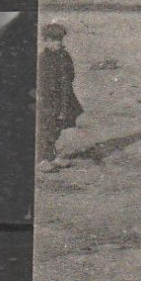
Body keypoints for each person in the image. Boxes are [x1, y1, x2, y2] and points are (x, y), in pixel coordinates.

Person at [36, 21, 83, 172]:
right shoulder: (44, 59)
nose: (59, 43)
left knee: (58, 127)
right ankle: (42, 159)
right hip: (48, 99)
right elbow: (43, 82)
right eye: (55, 40)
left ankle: (52, 156)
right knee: (46, 127)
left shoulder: (64, 55)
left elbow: (71, 74)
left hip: (64, 96)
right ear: (46, 41)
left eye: (60, 40)